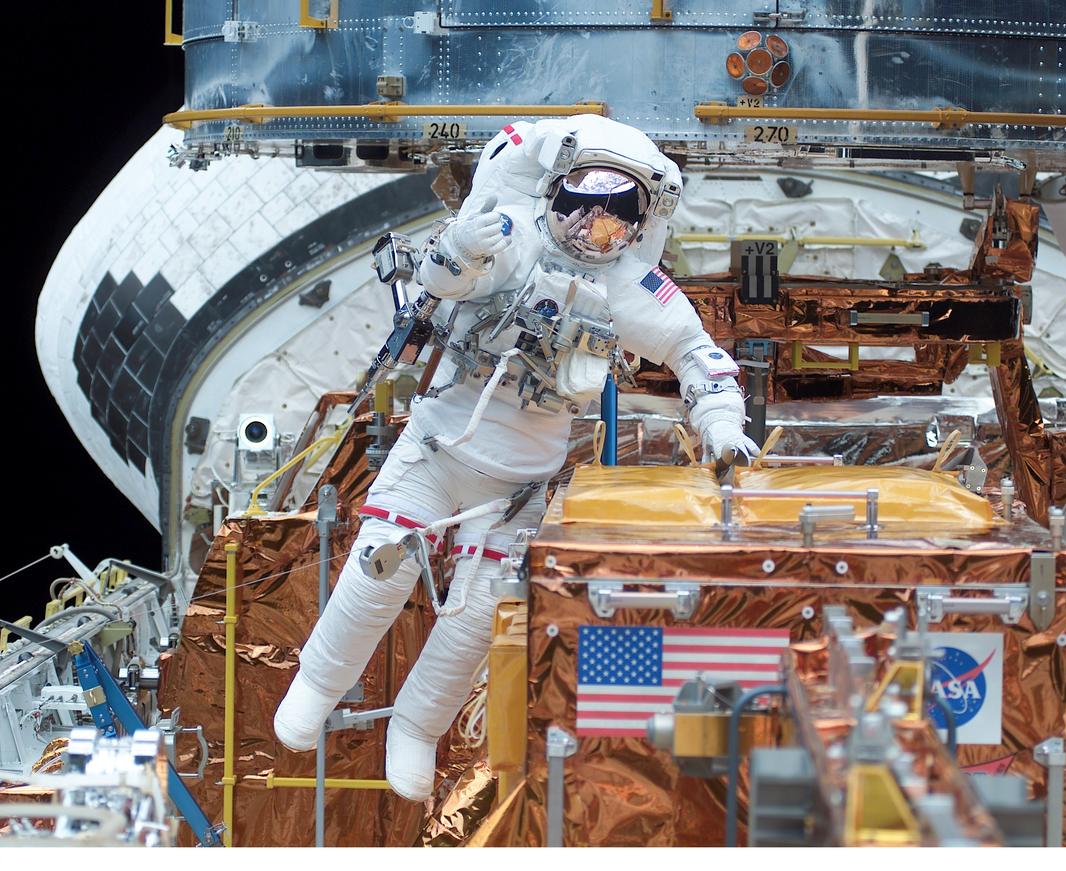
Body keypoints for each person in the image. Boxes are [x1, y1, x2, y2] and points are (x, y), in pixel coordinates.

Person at [274, 114, 758, 800]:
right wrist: (463, 246)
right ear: (554, 190)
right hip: (442, 445)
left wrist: (721, 424)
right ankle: (316, 684)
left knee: (478, 613)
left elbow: (698, 356)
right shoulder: (513, 236)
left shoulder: (632, 287)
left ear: (639, 224)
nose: (595, 225)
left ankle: (413, 728)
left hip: (522, 482)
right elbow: (446, 280)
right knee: (382, 561)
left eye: (618, 214)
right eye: (583, 201)